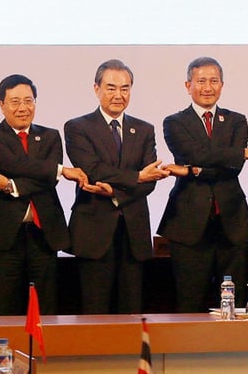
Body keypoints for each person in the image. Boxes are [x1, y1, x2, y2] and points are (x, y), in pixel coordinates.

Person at [159, 57, 248, 313]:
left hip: (232, 224)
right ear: (188, 85)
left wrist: (192, 170)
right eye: (201, 81)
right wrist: (241, 152)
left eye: (213, 81)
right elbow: (193, 153)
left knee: (237, 303)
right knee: (190, 300)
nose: (207, 87)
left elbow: (233, 168)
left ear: (222, 85)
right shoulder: (174, 122)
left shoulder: (237, 120)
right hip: (188, 227)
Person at [64, 59, 171, 313]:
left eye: (125, 88)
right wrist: (136, 177)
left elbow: (151, 179)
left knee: (132, 309)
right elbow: (93, 170)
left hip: (133, 232)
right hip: (93, 231)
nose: (118, 95)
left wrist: (115, 191)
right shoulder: (77, 127)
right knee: (94, 309)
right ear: (96, 89)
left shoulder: (144, 129)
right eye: (111, 88)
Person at [0, 74, 87, 315]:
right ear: (1, 104)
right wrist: (58, 170)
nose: (23, 108)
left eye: (29, 100)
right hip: (3, 235)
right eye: (15, 101)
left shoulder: (50, 135)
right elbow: (10, 163)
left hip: (43, 234)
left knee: (45, 307)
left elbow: (47, 181)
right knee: (2, 306)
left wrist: (10, 185)